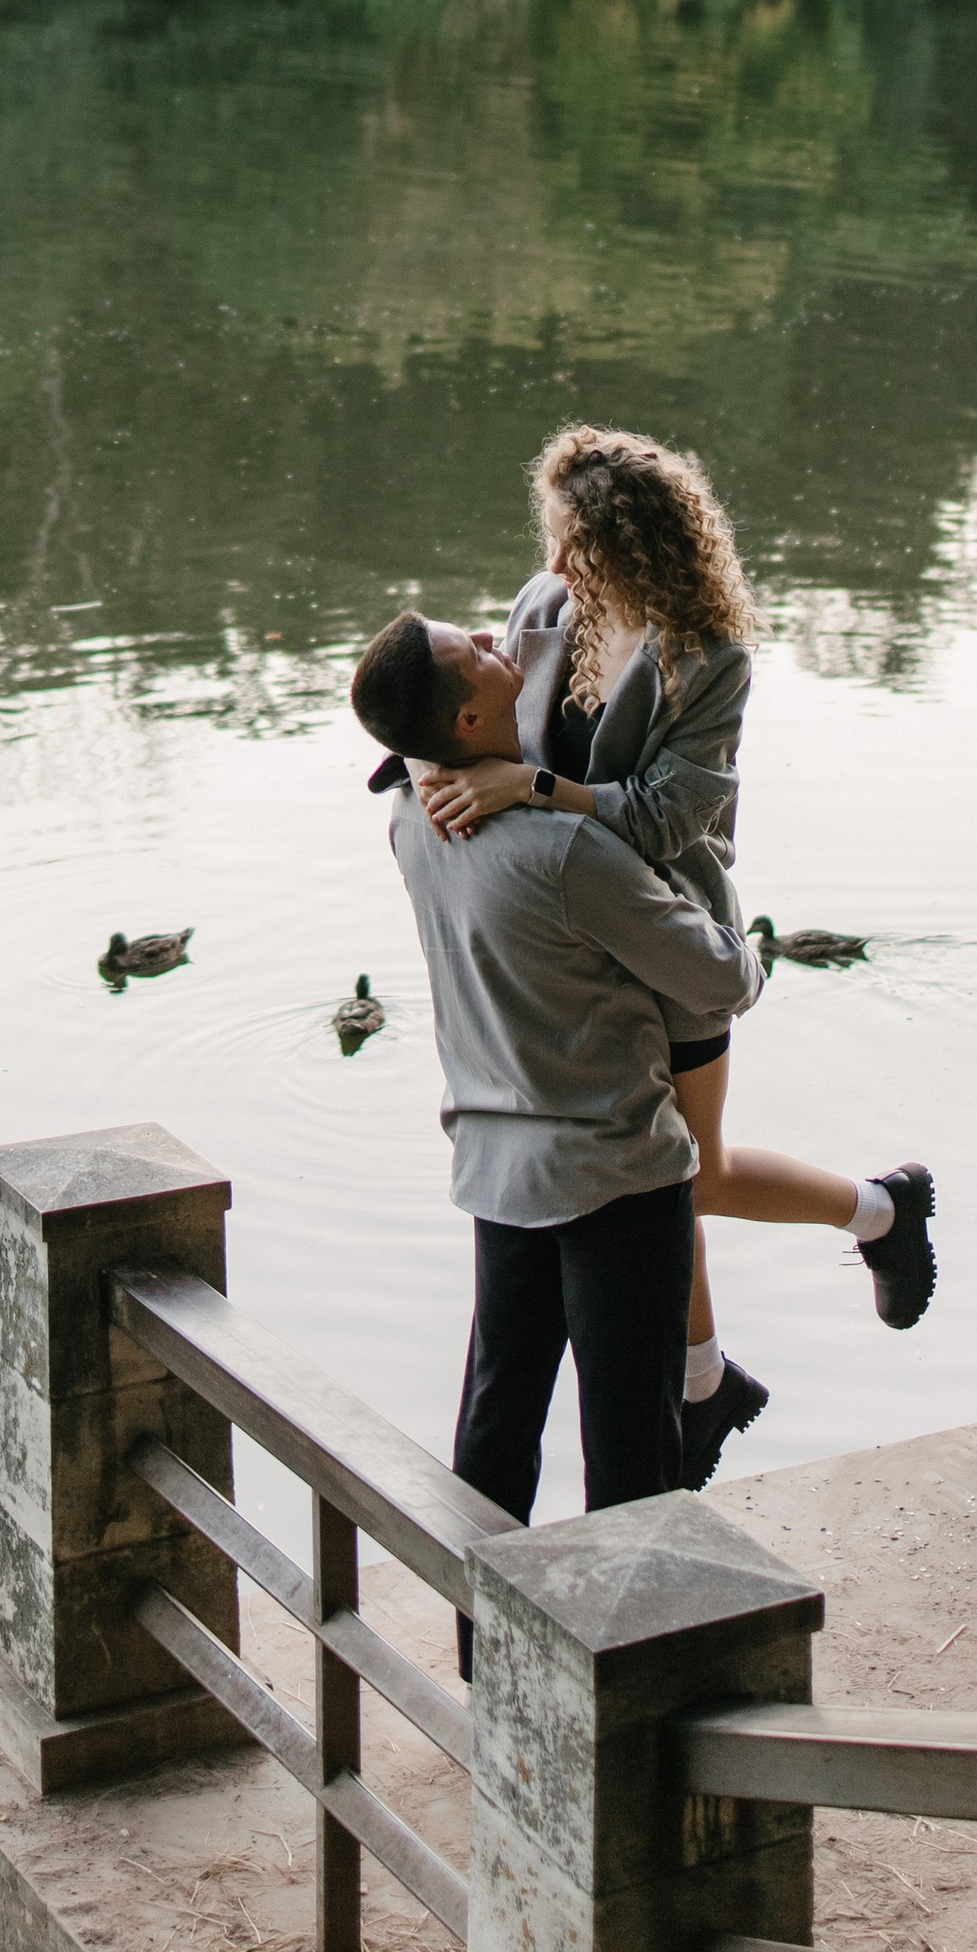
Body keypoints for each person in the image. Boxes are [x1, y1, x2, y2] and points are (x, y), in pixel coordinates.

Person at [416, 422, 934, 1489]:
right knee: (662, 1193)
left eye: (577, 547)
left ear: (639, 550)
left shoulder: (708, 660)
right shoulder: (541, 608)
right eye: (551, 539)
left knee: (680, 1183)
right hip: (568, 936)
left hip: (667, 927)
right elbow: (475, 725)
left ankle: (876, 1215)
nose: (554, 567)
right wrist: (437, 777)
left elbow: (665, 818)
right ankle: (708, 1379)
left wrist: (539, 793)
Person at [351, 601, 764, 1664]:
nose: (503, 644)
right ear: (474, 715)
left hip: (495, 1167)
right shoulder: (563, 852)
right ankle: (637, 1683)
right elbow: (722, 978)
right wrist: (726, 919)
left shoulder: (409, 821)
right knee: (630, 1439)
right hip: (616, 1172)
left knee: (497, 1419)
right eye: (477, 653)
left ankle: (480, 1657)